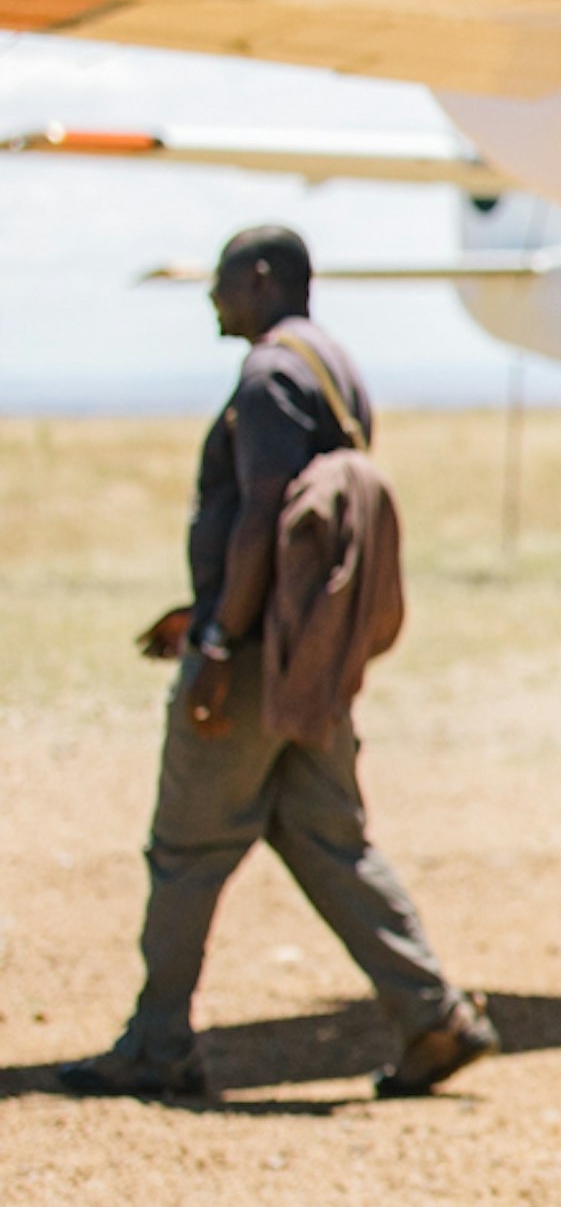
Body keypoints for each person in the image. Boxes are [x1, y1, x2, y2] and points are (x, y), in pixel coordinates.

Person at [60, 225, 496, 1105]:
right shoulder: (333, 368)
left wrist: (218, 641)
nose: (213, 297)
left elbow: (264, 513)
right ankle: (430, 1013)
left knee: (186, 849)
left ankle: (157, 1048)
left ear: (263, 278)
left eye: (223, 279)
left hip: (255, 663)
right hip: (308, 663)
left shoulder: (267, 376)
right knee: (332, 842)